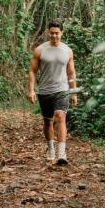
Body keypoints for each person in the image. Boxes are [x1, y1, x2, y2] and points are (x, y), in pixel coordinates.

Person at [28, 21, 77, 165]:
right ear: (48, 33)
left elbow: (71, 72)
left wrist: (73, 92)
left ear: (61, 33)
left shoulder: (67, 50)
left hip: (62, 89)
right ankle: (50, 148)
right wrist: (31, 90)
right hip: (44, 91)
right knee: (47, 121)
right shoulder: (40, 50)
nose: (54, 35)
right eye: (52, 32)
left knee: (60, 116)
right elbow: (32, 70)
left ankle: (62, 153)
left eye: (57, 33)